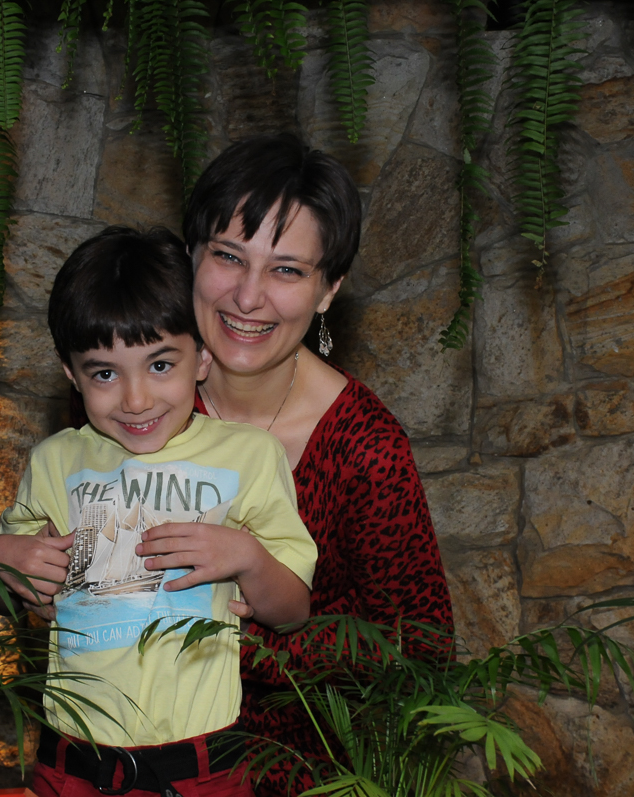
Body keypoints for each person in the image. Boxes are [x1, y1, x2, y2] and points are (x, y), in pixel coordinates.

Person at [0, 226, 318, 797]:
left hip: (203, 768)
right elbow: (11, 596)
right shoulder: (55, 461)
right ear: (70, 373)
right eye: (105, 373)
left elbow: (293, 611)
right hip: (73, 763)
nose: (136, 400)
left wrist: (250, 558)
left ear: (202, 356)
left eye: (160, 365)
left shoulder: (250, 456)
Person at [172, 133, 455, 795]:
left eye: (287, 271)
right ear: (191, 256)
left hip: (297, 773)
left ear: (329, 290)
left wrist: (242, 643)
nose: (248, 296)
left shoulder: (364, 447)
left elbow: (420, 648)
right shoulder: (136, 402)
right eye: (228, 256)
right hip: (134, 759)